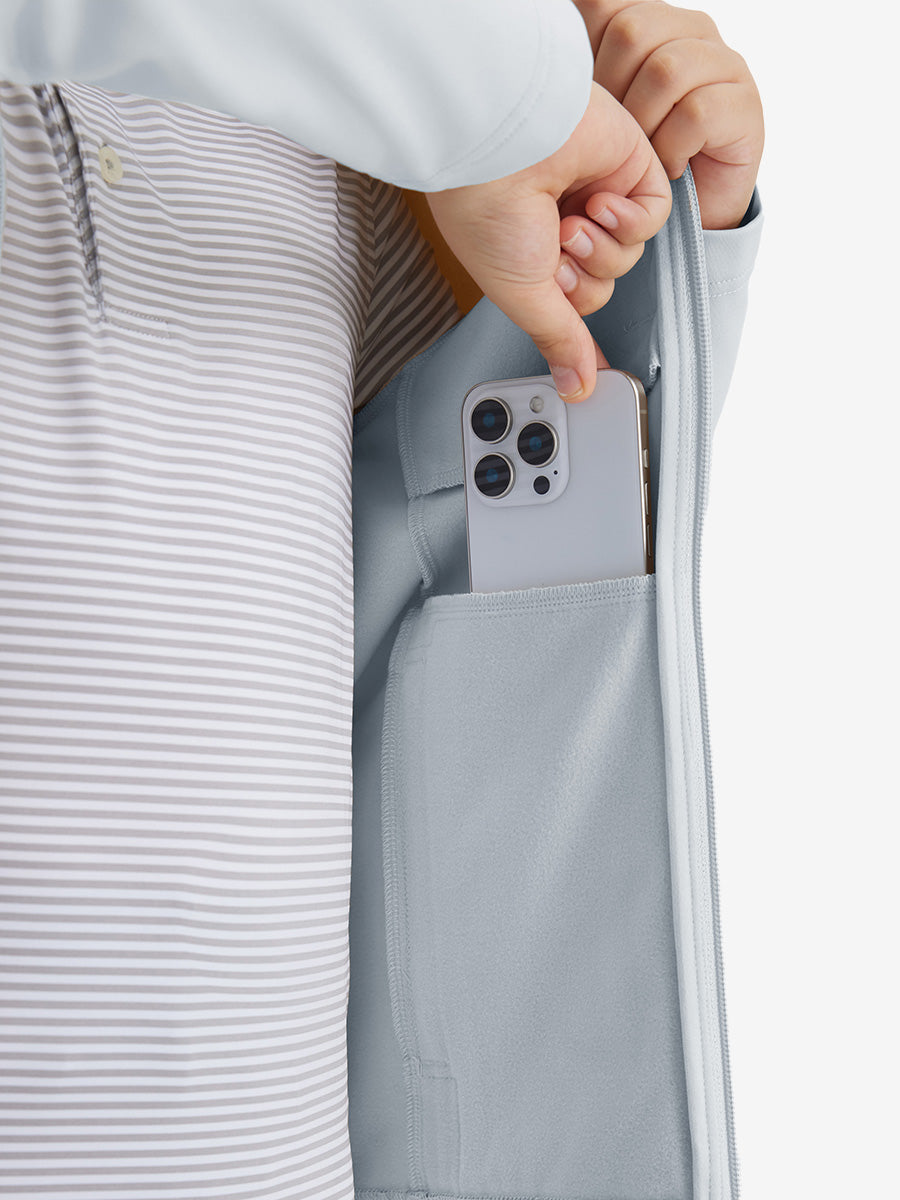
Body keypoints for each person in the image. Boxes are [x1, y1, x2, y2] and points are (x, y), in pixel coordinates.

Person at [0, 2, 763, 1197]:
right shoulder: (437, 73)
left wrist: (656, 235)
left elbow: (463, 536)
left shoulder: (335, 123)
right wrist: (510, 91)